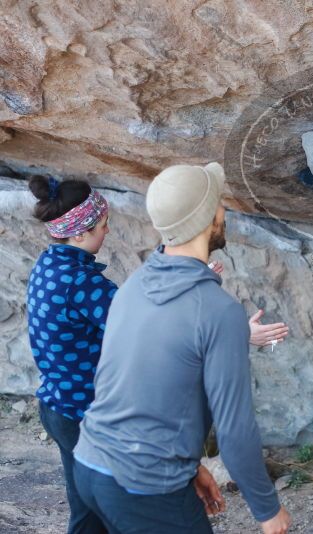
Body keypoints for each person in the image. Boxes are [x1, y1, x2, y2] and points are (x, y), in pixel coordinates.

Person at [72, 162, 291, 534]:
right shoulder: (218, 311)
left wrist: (189, 467)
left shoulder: (134, 285)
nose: (224, 211)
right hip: (144, 485)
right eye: (219, 204)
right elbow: (235, 431)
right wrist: (268, 511)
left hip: (90, 464)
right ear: (208, 219)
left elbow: (130, 387)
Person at [26, 175, 113, 533]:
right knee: (115, 510)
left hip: (58, 407)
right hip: (84, 416)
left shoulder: (49, 265)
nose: (107, 232)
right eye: (103, 226)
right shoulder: (80, 280)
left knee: (87, 515)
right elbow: (139, 324)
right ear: (79, 234)